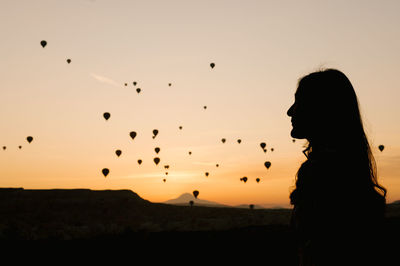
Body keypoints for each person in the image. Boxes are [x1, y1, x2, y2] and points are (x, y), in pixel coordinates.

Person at [287, 69, 387, 265]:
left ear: (321, 109)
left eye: (299, 101)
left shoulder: (322, 176)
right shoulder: (348, 174)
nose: (290, 111)